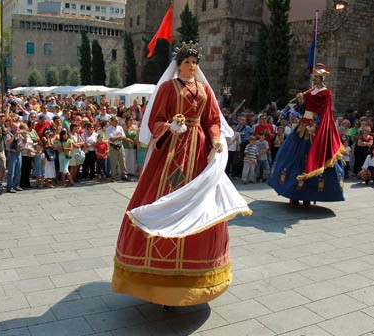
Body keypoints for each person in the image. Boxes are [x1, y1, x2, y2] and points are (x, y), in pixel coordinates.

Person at [111, 42, 251, 308]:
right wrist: (169, 126)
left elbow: (212, 120)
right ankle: (158, 282)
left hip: (197, 152)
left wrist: (216, 139)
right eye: (188, 62)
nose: (192, 67)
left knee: (200, 205)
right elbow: (154, 120)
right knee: (161, 197)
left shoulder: (205, 89)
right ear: (178, 65)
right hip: (171, 152)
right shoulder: (166, 88)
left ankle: (192, 280)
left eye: (195, 63)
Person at [267, 63, 345, 205]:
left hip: (313, 127)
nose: (314, 79)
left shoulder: (326, 93)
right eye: (314, 77)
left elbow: (325, 111)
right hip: (303, 124)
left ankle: (309, 195)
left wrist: (316, 125)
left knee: (309, 157)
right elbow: (304, 109)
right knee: (292, 156)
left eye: (316, 77)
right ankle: (293, 193)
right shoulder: (312, 90)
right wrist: (302, 100)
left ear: (322, 78)